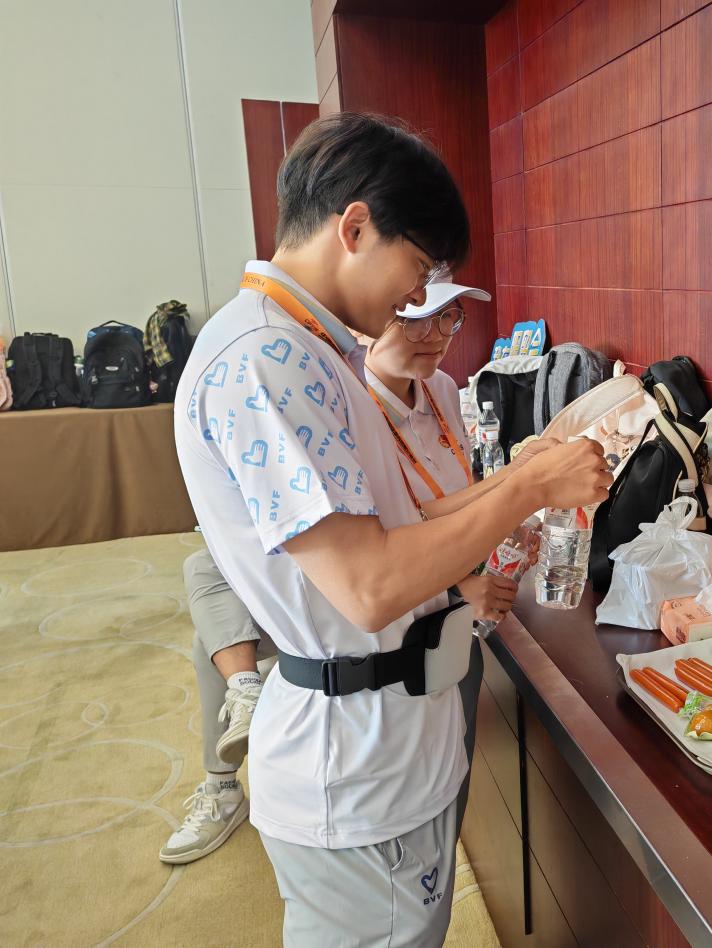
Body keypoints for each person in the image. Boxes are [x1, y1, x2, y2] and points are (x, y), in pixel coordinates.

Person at [173, 112, 610, 946]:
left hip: (390, 742)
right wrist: (529, 487)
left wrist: (524, 474)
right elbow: (369, 585)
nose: (418, 300)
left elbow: (405, 521)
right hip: (355, 764)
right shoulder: (267, 359)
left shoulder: (309, 349)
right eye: (418, 268)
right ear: (355, 227)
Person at [159, 277, 528, 865]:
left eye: (448, 317)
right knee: (208, 582)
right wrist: (516, 499)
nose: (435, 335)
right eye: (414, 316)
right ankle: (230, 746)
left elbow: (438, 510)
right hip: (359, 655)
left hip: (433, 624)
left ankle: (243, 705)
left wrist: (511, 496)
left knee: (440, 789)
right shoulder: (320, 389)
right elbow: (375, 560)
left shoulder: (442, 390)